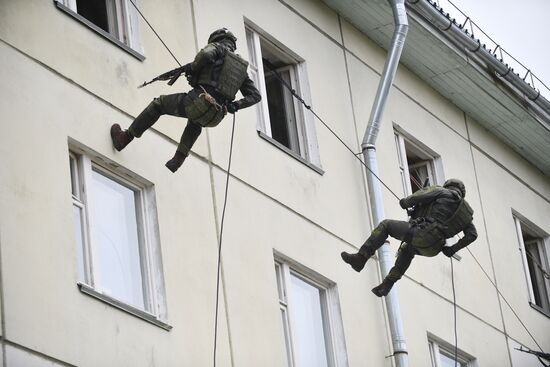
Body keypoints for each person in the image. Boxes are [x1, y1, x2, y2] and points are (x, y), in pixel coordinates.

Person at [110, 28, 261, 172]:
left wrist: (194, 68)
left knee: (159, 104)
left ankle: (125, 138)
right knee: (195, 122)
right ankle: (178, 159)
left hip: (198, 102)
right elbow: (255, 96)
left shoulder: (218, 48)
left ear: (216, 40)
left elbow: (206, 54)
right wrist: (235, 105)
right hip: (216, 116)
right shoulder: (241, 70)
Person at [341, 178, 478, 297]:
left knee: (386, 225)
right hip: (434, 248)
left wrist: (405, 202)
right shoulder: (465, 212)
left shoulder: (442, 191)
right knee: (407, 251)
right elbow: (472, 235)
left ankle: (361, 258)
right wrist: (453, 249)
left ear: (448, 185)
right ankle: (387, 285)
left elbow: (419, 197)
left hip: (423, 233)